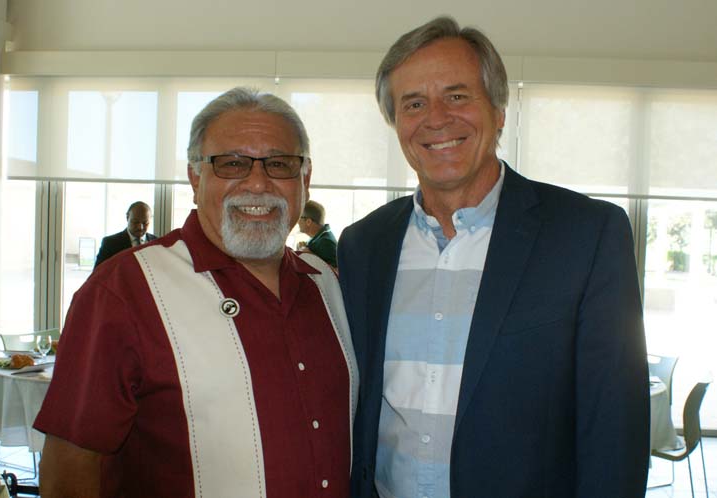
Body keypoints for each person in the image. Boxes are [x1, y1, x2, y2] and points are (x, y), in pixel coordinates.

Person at [338, 16, 650, 498]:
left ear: (499, 110)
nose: (437, 118)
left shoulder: (586, 235)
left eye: (458, 95)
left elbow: (614, 426)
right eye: (414, 103)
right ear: (397, 123)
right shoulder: (362, 245)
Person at [34, 87, 357, 498]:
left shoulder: (326, 285)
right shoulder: (123, 291)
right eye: (232, 164)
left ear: (304, 180)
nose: (257, 183)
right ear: (194, 177)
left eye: (279, 164)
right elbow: (70, 472)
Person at [93, 201, 157, 269]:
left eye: (145, 223)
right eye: (135, 222)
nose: (140, 227)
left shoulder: (156, 243)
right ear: (127, 217)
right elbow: (98, 274)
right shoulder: (110, 243)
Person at [298, 200, 338, 268]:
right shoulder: (318, 237)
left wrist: (311, 256)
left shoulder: (326, 242)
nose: (297, 222)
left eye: (299, 217)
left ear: (308, 221)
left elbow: (337, 273)